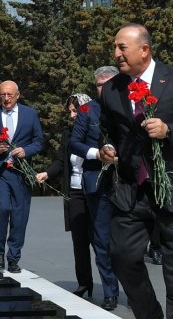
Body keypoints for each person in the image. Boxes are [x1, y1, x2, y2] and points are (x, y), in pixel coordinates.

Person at [98, 23, 173, 319]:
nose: (116, 54)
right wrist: (107, 147)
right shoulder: (112, 89)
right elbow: (108, 129)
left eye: (122, 47)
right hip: (132, 192)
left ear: (144, 50)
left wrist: (169, 130)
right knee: (121, 255)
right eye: (115, 47)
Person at [0, 80, 45, 274]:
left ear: (18, 95)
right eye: (2, 95)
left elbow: (39, 141)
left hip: (22, 173)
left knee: (19, 215)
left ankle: (13, 257)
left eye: (9, 95)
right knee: (1, 209)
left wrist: (26, 150)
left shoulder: (30, 114)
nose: (6, 99)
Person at [69, 66, 120, 310]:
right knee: (101, 240)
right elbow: (74, 142)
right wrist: (96, 154)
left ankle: (134, 287)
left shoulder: (131, 105)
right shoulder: (87, 110)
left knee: (128, 243)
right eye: (99, 85)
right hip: (97, 184)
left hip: (128, 183)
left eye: (107, 84)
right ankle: (110, 292)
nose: (103, 89)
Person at [35, 93, 95, 299]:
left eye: (75, 110)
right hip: (76, 192)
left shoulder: (97, 130)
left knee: (101, 242)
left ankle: (111, 287)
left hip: (96, 192)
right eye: (69, 111)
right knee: (79, 241)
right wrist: (47, 173)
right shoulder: (68, 133)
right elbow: (61, 161)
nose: (71, 115)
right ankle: (84, 283)